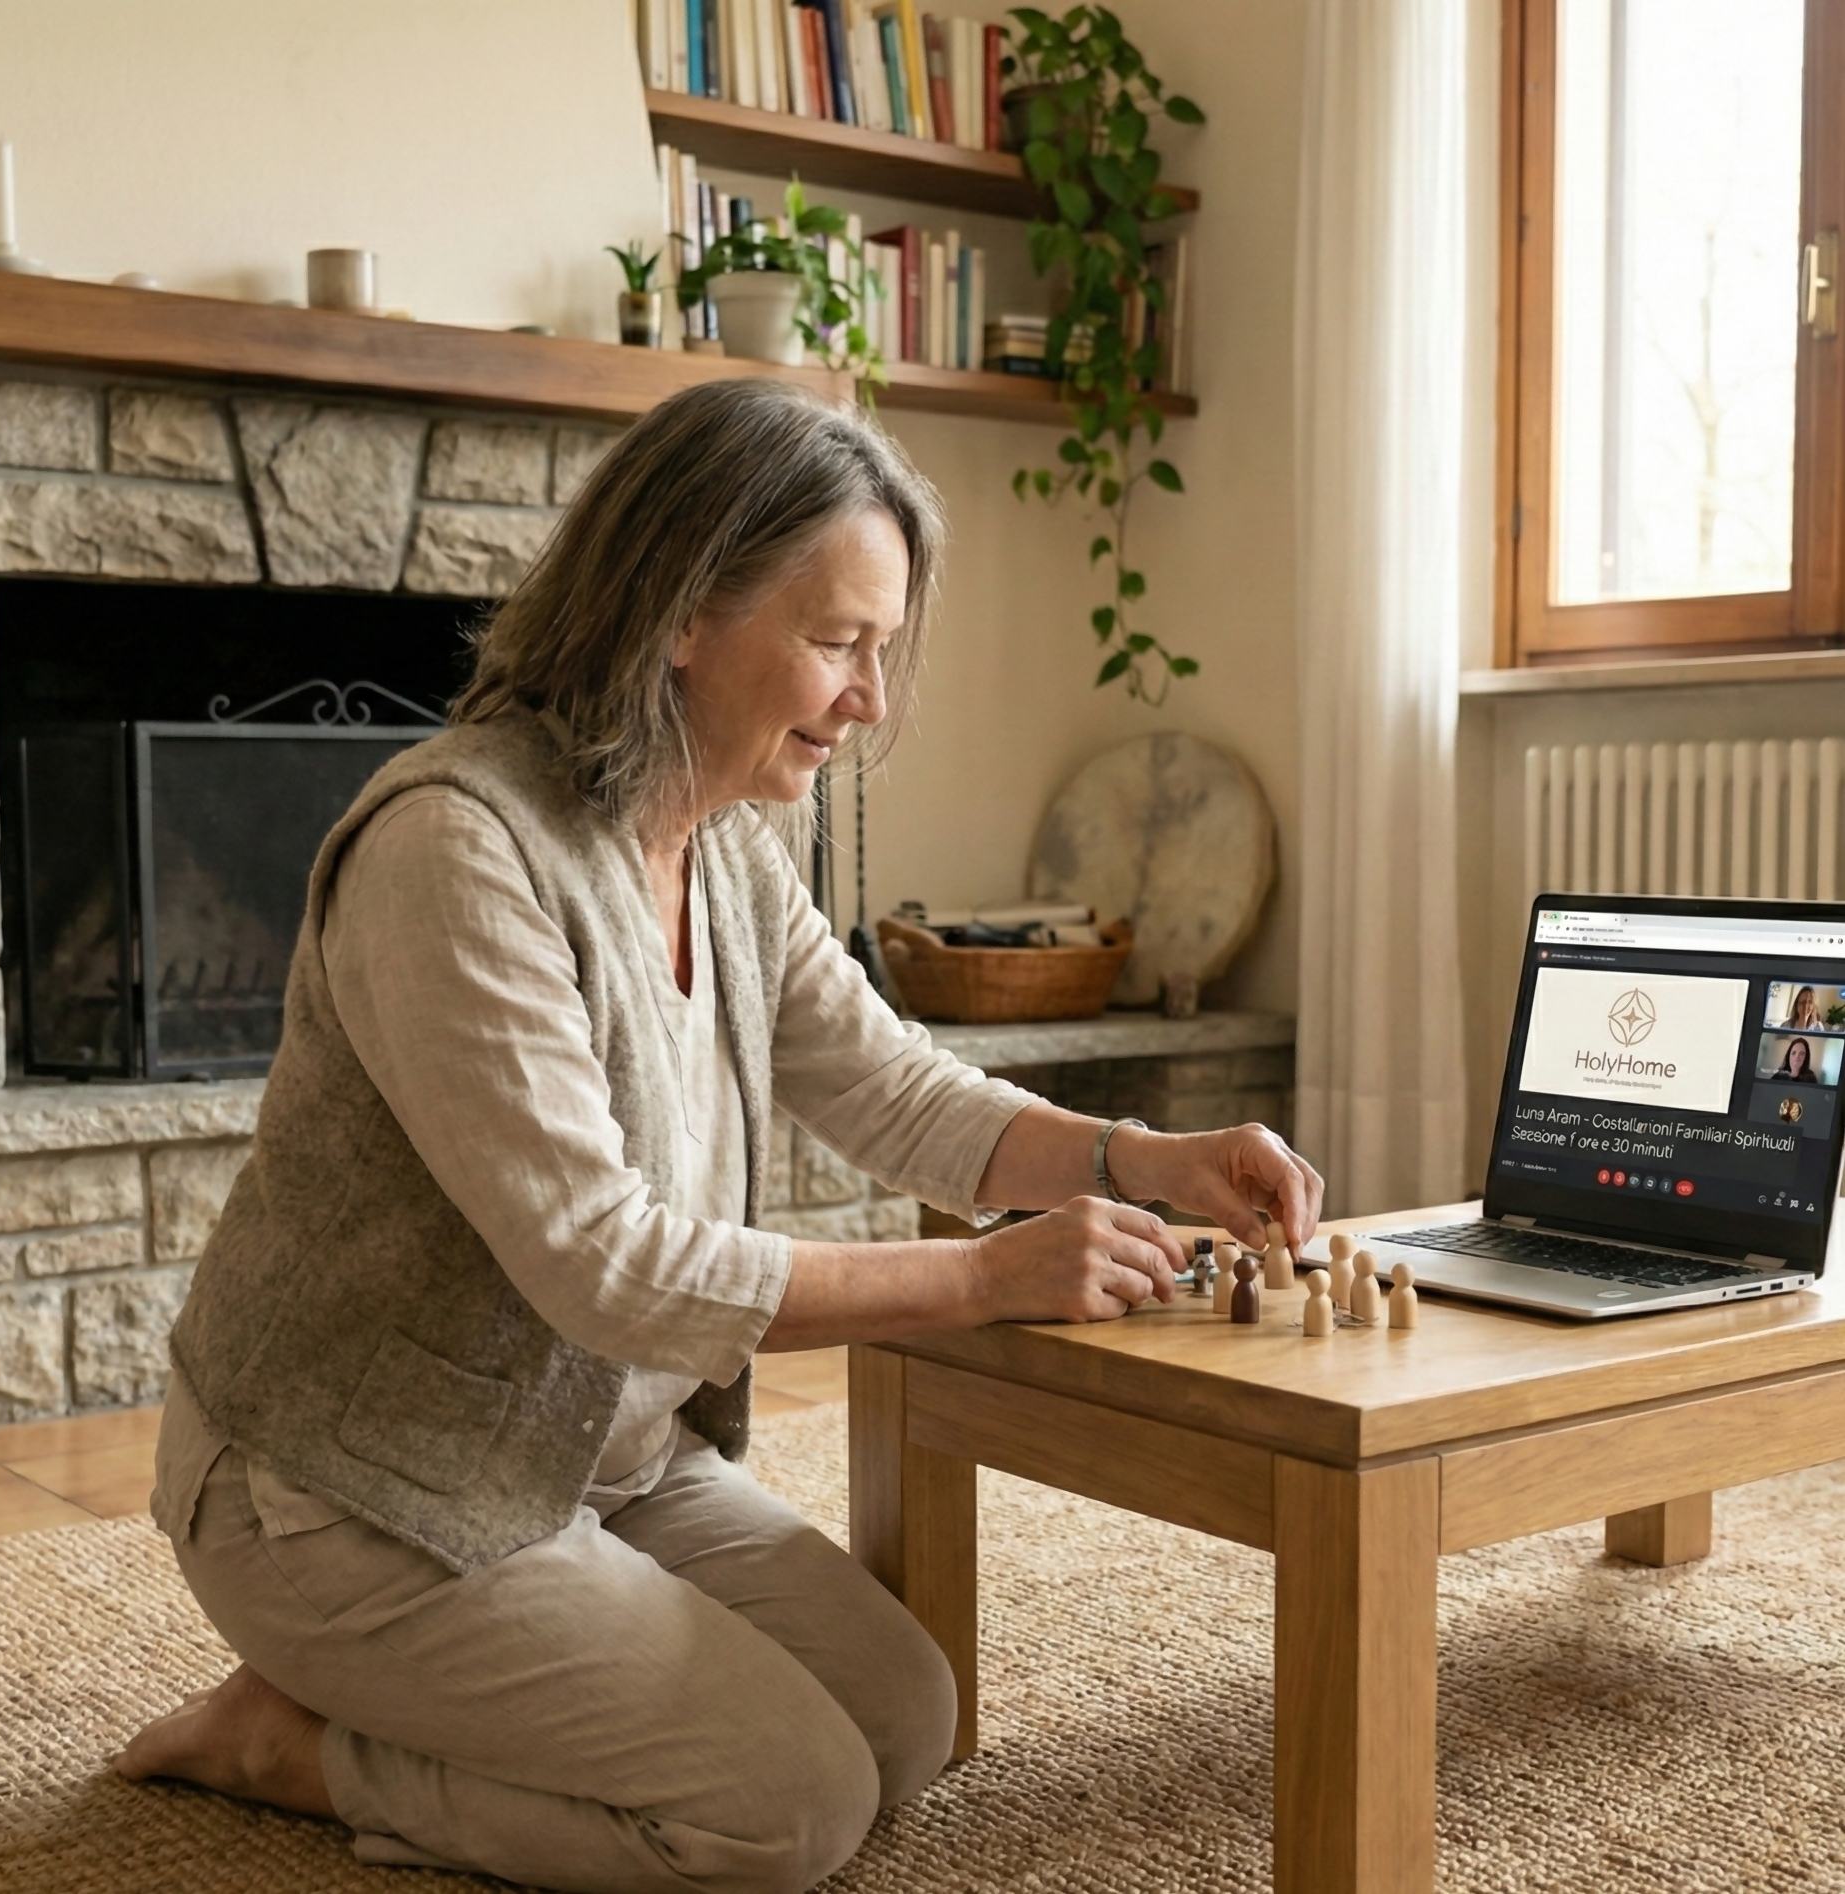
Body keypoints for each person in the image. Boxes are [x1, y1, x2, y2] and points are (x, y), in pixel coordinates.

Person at [114, 380, 1323, 1894]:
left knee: (905, 1715)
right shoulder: (453, 850)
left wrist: (1140, 1156)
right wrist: (977, 1280)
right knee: (781, 1809)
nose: (869, 700)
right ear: (676, 611)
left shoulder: (724, 838)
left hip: (597, 1456)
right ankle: (291, 1742)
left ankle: (441, 1685)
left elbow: (891, 1085)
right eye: (835, 643)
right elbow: (602, 1266)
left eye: (880, 651)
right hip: (350, 1487)